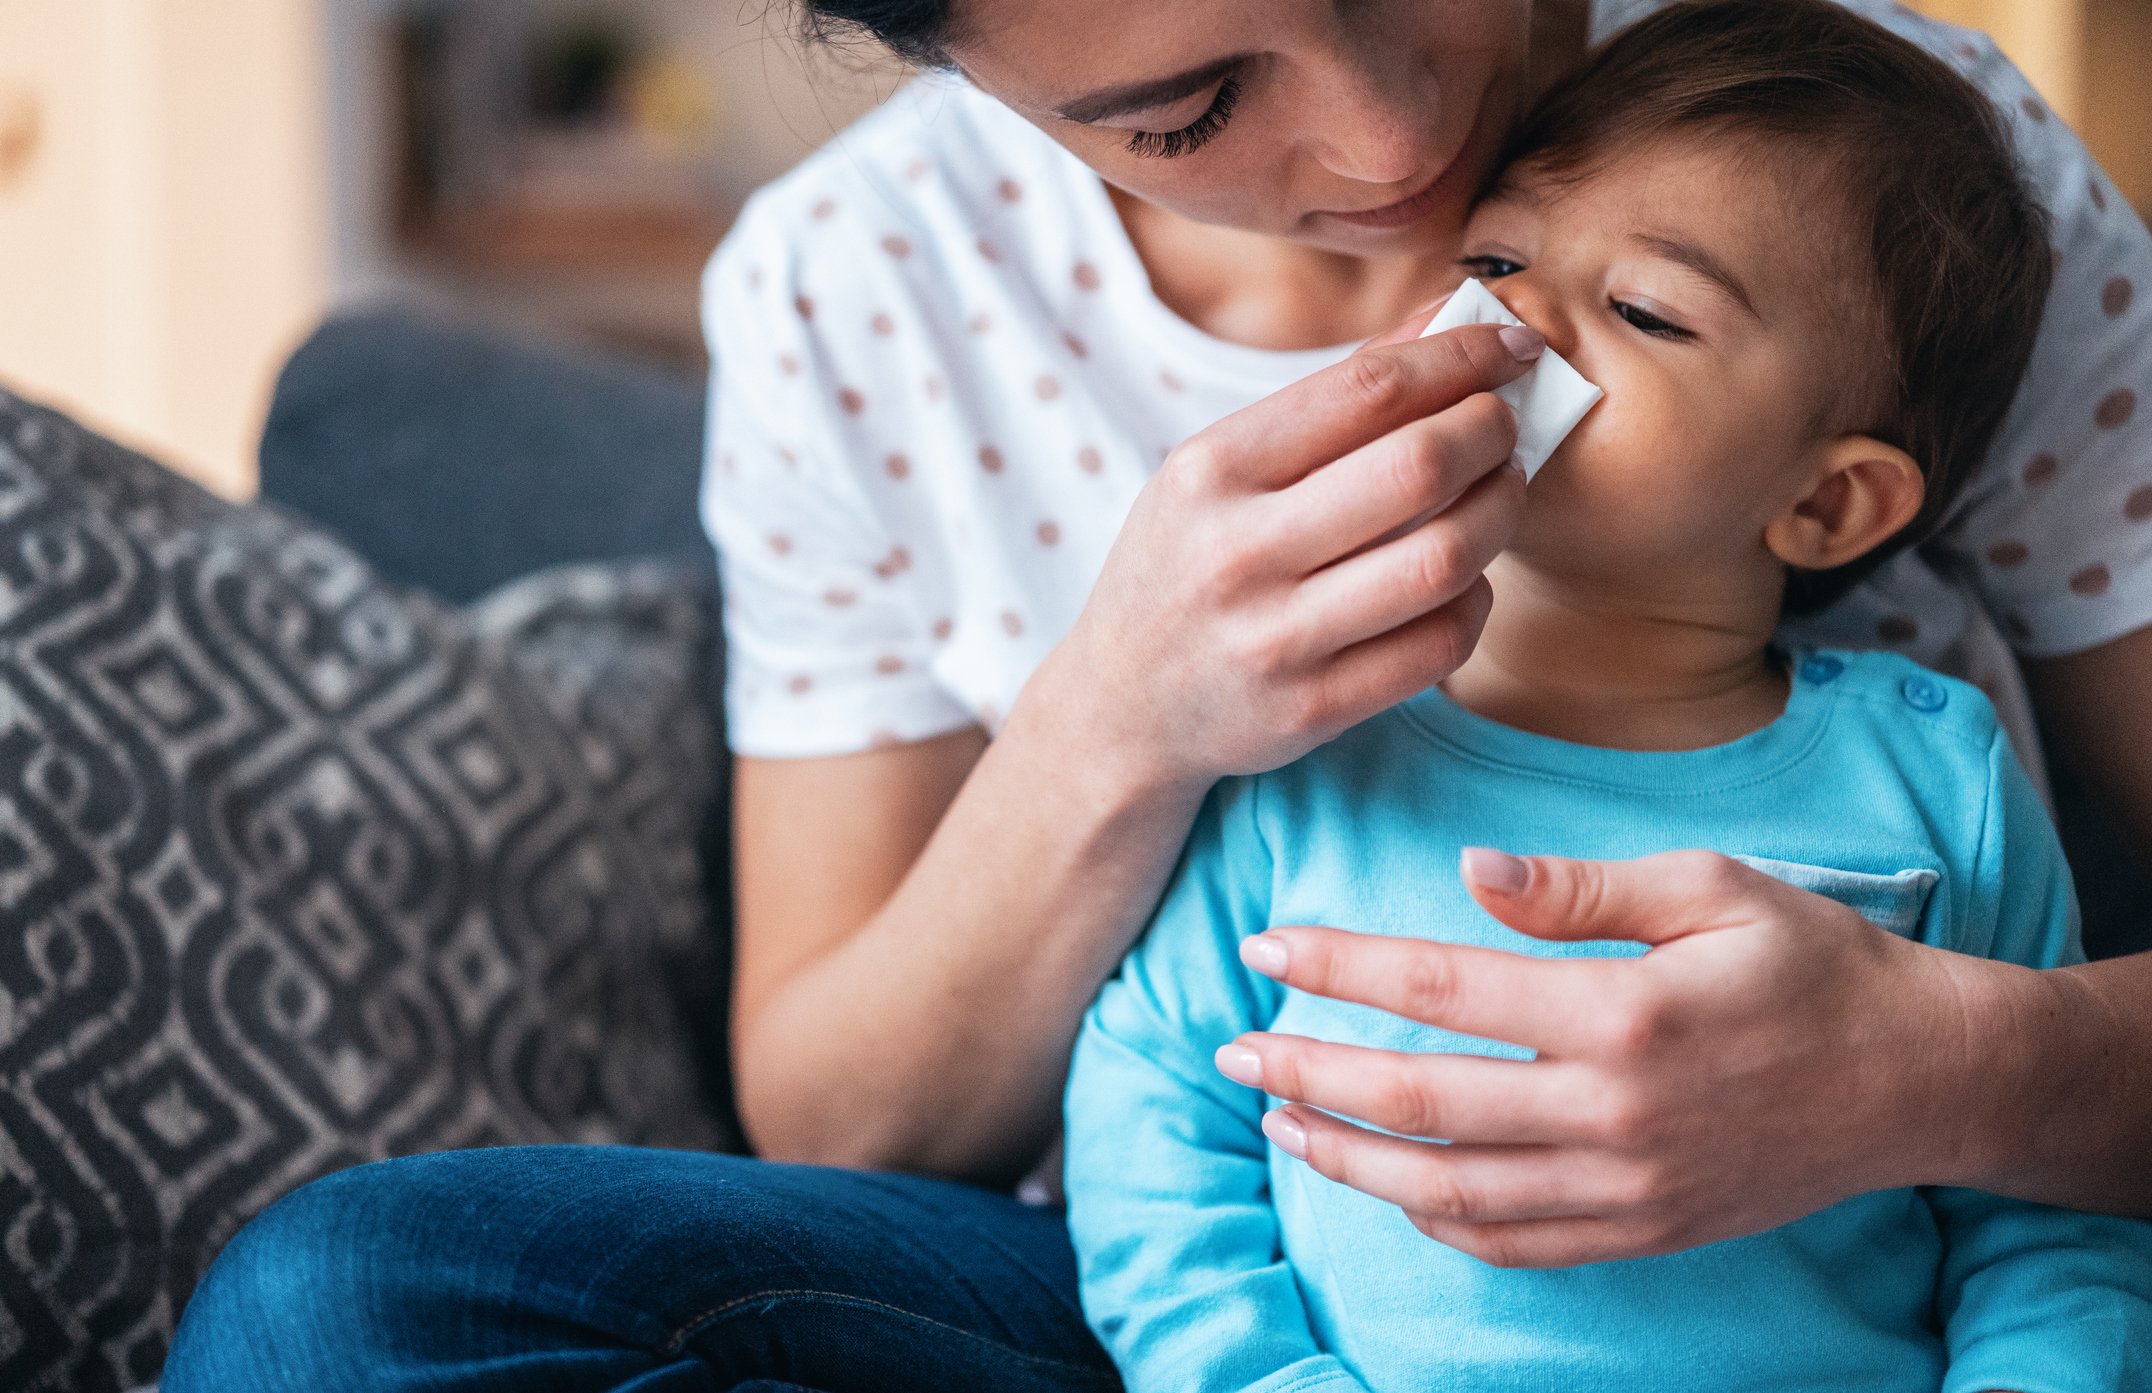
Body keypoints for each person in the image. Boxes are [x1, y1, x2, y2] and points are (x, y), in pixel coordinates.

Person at [163, 0, 2152, 1387]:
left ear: (1836, 496)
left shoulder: (1893, 174)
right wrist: (1116, 722)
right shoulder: (853, 296)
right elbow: (885, 1124)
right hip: (1207, 1304)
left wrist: (1951, 1072)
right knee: (349, 1299)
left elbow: (2053, 1240)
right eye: (1188, 107)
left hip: (1861, 1313)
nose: (1399, 150)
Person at [1061, 6, 2152, 1390]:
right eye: (1493, 261)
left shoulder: (1939, 778)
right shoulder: (1312, 742)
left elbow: (2050, 1219)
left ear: (1828, 504)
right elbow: (1157, 1111)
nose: (1516, 317)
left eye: (1644, 311)